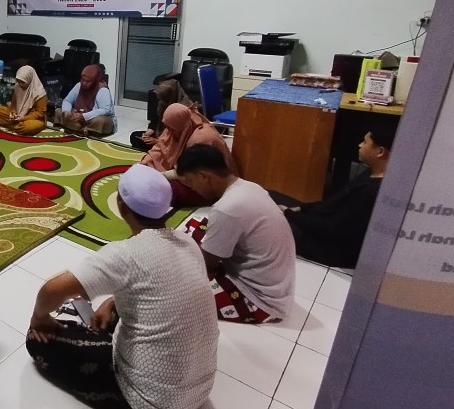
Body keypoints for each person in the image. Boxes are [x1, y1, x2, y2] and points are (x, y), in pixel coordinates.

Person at [26, 165, 218, 409]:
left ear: (120, 205)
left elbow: (52, 290)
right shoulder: (187, 242)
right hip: (201, 391)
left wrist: (39, 318)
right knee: (108, 311)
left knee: (36, 339)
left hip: (152, 405)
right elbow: (156, 287)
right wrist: (111, 302)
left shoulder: (124, 254)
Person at [176, 144, 296, 324]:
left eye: (191, 182)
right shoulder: (250, 186)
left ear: (204, 176)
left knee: (175, 284)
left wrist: (177, 260)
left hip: (259, 301)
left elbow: (205, 264)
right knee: (197, 226)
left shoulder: (226, 209)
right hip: (277, 288)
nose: (192, 189)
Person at [281, 129, 392, 268]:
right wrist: (301, 209)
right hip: (322, 226)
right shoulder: (370, 175)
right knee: (271, 197)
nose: (359, 145)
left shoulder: (371, 191)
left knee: (268, 221)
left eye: (365, 142)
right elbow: (332, 205)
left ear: (380, 151)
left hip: (327, 248)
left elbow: (332, 228)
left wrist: (289, 214)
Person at [140, 103, 236, 207]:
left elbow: (194, 171)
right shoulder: (177, 125)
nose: (169, 132)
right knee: (145, 169)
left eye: (171, 129)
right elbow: (161, 145)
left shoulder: (201, 138)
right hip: (187, 174)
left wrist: (161, 176)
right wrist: (145, 161)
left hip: (208, 186)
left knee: (167, 190)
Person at [130, 78, 195, 151]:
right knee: (134, 136)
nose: (160, 100)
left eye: (163, 97)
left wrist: (158, 141)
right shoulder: (162, 104)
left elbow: (180, 139)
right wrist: (147, 134)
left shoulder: (183, 110)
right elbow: (155, 121)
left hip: (173, 144)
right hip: (160, 136)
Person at [54, 64, 116, 137]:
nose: (84, 83)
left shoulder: (102, 90)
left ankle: (80, 129)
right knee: (58, 111)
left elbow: (105, 110)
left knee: (100, 121)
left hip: (94, 118)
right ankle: (83, 130)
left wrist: (84, 116)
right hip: (79, 116)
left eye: (88, 81)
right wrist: (66, 111)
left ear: (94, 81)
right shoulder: (79, 85)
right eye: (82, 80)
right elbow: (67, 101)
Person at [0, 65, 47, 135]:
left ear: (29, 79)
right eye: (18, 81)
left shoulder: (39, 93)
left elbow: (40, 113)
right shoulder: (17, 87)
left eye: (23, 82)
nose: (20, 84)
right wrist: (13, 113)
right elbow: (14, 103)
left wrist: (23, 118)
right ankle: (16, 126)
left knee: (27, 127)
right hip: (18, 115)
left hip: (33, 119)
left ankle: (13, 126)